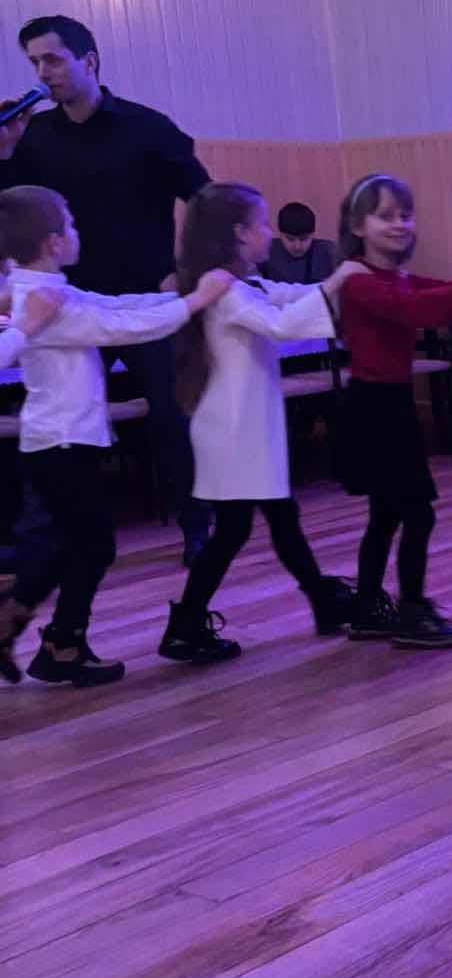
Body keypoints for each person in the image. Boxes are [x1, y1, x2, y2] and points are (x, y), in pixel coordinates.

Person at [0, 15, 212, 560]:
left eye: (53, 59)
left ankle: (196, 527)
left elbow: (205, 200)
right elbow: (10, 213)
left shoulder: (148, 128)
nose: (42, 73)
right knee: (55, 420)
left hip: (143, 299)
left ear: (88, 61)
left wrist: (187, 270)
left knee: (171, 418)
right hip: (68, 305)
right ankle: (38, 541)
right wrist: (4, 152)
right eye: (34, 63)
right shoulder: (33, 137)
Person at [0, 185, 229, 686]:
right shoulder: (42, 300)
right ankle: (54, 642)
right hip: (61, 443)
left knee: (72, 545)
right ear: (53, 242)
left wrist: (178, 295)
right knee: (90, 546)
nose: (77, 232)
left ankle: (41, 636)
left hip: (60, 442)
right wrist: (197, 301)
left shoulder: (46, 289)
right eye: (71, 225)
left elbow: (116, 305)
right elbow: (124, 328)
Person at [157, 184, 360, 665]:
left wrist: (340, 283)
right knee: (239, 529)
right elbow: (281, 325)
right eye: (263, 223)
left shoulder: (240, 283)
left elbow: (288, 296)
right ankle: (186, 625)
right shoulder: (224, 289)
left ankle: (320, 600)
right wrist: (336, 282)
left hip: (242, 429)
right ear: (239, 233)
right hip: (234, 432)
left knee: (270, 522)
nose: (269, 232)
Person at [331, 173, 452, 650]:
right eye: (385, 216)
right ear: (357, 225)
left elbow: (447, 300)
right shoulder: (357, 280)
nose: (399, 224)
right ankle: (410, 611)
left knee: (386, 514)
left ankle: (369, 608)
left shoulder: (397, 278)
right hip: (373, 407)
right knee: (416, 514)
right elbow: (416, 311)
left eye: (405, 215)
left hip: (391, 403)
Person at [261, 202, 337, 286]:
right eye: (290, 239)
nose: (297, 246)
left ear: (313, 235)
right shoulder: (264, 250)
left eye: (304, 239)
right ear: (280, 234)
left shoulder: (330, 252)